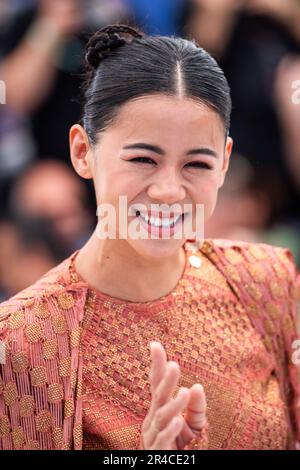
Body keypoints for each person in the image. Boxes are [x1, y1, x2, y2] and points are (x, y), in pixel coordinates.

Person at [0, 24, 299, 451]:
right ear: (83, 152)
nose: (168, 191)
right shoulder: (23, 344)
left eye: (196, 164)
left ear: (225, 163)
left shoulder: (265, 280)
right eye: (143, 158)